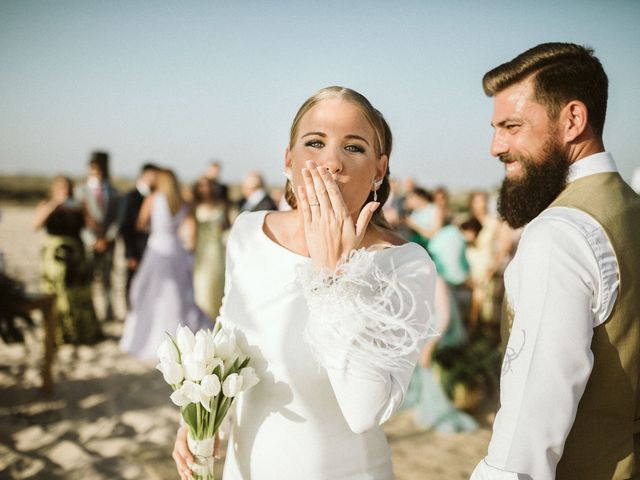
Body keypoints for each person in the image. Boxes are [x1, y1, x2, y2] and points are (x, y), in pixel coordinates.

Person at [172, 86, 436, 480]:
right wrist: (204, 419)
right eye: (315, 142)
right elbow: (228, 342)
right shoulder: (249, 231)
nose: (331, 163)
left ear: (379, 169)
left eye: (353, 148)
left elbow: (365, 411)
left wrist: (334, 275)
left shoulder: (406, 264)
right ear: (288, 159)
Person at [471, 43, 640, 480]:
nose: (495, 146)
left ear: (573, 120)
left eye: (512, 126)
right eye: (495, 127)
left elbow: (533, 415)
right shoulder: (630, 207)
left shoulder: (559, 233)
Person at [119, 169, 211, 363]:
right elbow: (192, 231)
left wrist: (152, 228)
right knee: (179, 292)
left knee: (149, 292)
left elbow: (140, 223)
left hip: (158, 248)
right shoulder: (183, 202)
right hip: (176, 249)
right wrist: (189, 251)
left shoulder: (153, 198)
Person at [33, 176, 102, 344]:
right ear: (54, 188)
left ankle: (80, 332)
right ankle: (59, 332)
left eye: (67, 187)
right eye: (61, 187)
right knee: (57, 292)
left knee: (78, 292)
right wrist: (54, 204)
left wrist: (86, 209)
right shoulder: (46, 204)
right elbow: (35, 225)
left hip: (75, 254)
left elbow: (94, 226)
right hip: (54, 256)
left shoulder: (77, 207)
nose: (64, 190)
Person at [76, 151, 119, 321]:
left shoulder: (113, 192)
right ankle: (91, 313)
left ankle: (109, 311)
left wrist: (108, 238)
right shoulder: (81, 192)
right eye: (93, 170)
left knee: (108, 277)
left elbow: (117, 218)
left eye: (99, 170)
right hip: (90, 242)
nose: (96, 173)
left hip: (108, 241)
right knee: (89, 278)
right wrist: (92, 240)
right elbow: (79, 220)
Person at [118, 163, 159, 306]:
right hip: (136, 250)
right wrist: (130, 254)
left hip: (153, 249)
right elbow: (124, 226)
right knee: (134, 282)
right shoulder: (130, 197)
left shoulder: (157, 196)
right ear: (145, 175)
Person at [192, 176, 229, 320]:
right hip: (201, 250)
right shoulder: (194, 206)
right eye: (201, 185)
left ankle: (216, 318)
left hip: (217, 250)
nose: (205, 189)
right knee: (202, 284)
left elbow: (228, 225)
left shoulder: (221, 205)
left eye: (207, 185)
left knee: (217, 284)